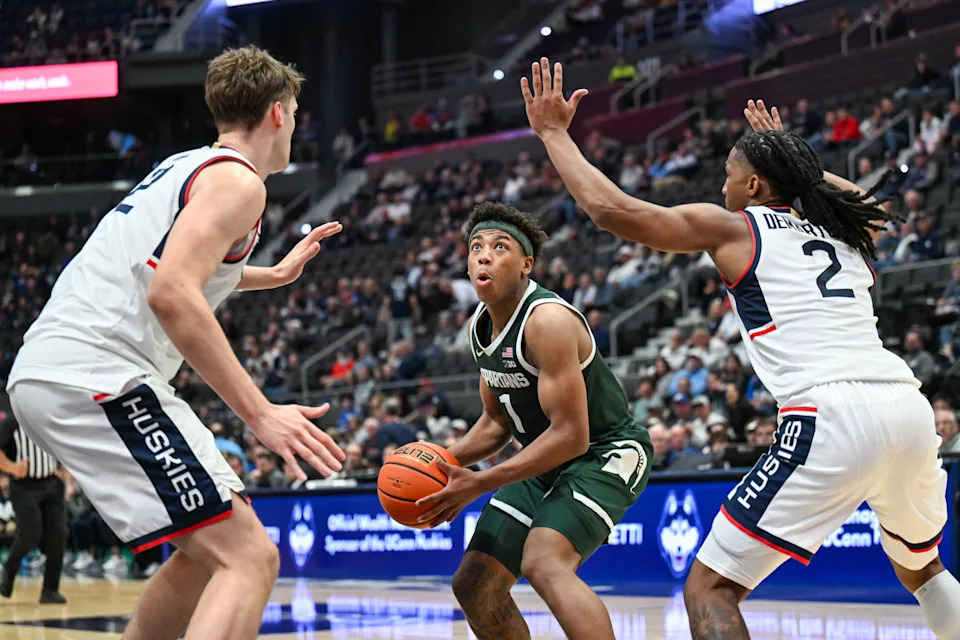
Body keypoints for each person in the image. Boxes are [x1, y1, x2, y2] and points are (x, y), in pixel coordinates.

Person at [520, 57, 959, 640]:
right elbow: (873, 206)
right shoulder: (845, 232)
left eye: (730, 173)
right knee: (923, 568)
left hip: (828, 412)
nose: (722, 185)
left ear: (753, 186)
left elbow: (612, 211)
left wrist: (553, 134)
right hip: (907, 408)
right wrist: (803, 168)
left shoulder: (738, 227)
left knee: (710, 588)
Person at [5, 46, 345, 640]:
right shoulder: (241, 184)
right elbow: (170, 291)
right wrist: (260, 412)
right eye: (295, 110)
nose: (296, 122)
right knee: (250, 557)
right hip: (98, 370)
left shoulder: (186, 165)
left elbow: (166, 261)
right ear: (276, 114)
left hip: (56, 368)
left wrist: (271, 274)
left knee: (203, 554)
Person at [415, 201, 652, 640]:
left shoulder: (547, 321)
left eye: (499, 247)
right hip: (547, 459)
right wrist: (435, 461)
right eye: (476, 246)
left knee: (544, 562)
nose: (483, 255)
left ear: (526, 264)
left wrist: (480, 482)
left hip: (605, 451)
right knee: (474, 584)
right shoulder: (478, 327)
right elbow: (496, 422)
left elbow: (572, 436)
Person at [0, 411, 66, 603]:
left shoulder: (49, 418)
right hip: (24, 487)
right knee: (31, 532)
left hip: (51, 484)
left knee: (58, 535)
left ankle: (50, 591)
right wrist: (12, 468)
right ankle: (9, 568)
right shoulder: (13, 421)